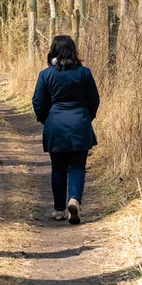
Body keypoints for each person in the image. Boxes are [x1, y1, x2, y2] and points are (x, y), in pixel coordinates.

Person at [32, 35, 100, 225]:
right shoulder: (84, 73)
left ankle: (59, 210)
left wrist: (46, 120)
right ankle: (75, 199)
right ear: (73, 50)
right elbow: (94, 100)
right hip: (80, 123)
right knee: (78, 166)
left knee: (58, 168)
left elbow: (38, 102)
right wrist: (87, 118)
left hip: (55, 126)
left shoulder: (46, 74)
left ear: (53, 51)